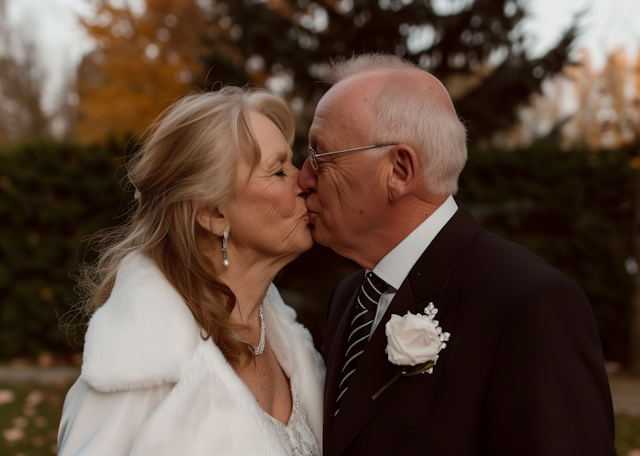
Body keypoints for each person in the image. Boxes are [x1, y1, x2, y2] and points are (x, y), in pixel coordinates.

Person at [299, 53, 616, 456]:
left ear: (398, 170)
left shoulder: (530, 305)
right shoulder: (349, 297)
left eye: (319, 156)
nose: (303, 178)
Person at [57, 87, 324, 456]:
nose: (305, 181)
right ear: (215, 215)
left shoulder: (293, 345)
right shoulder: (140, 363)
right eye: (279, 171)